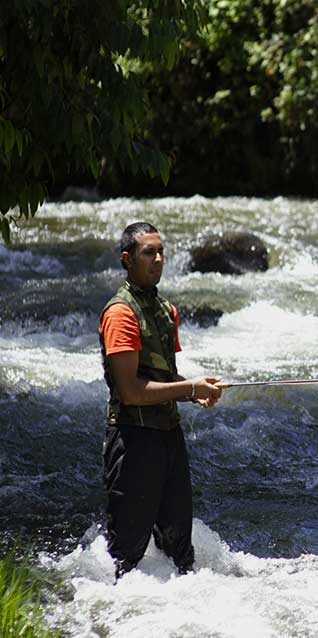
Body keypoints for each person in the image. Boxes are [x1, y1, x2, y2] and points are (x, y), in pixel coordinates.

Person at [99, 221, 222, 578]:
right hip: (133, 441)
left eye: (161, 251)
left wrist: (195, 391)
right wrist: (190, 389)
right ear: (127, 260)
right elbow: (131, 392)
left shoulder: (166, 310)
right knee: (126, 555)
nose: (158, 259)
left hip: (169, 438)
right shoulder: (120, 313)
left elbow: (163, 378)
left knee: (180, 550)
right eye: (148, 252)